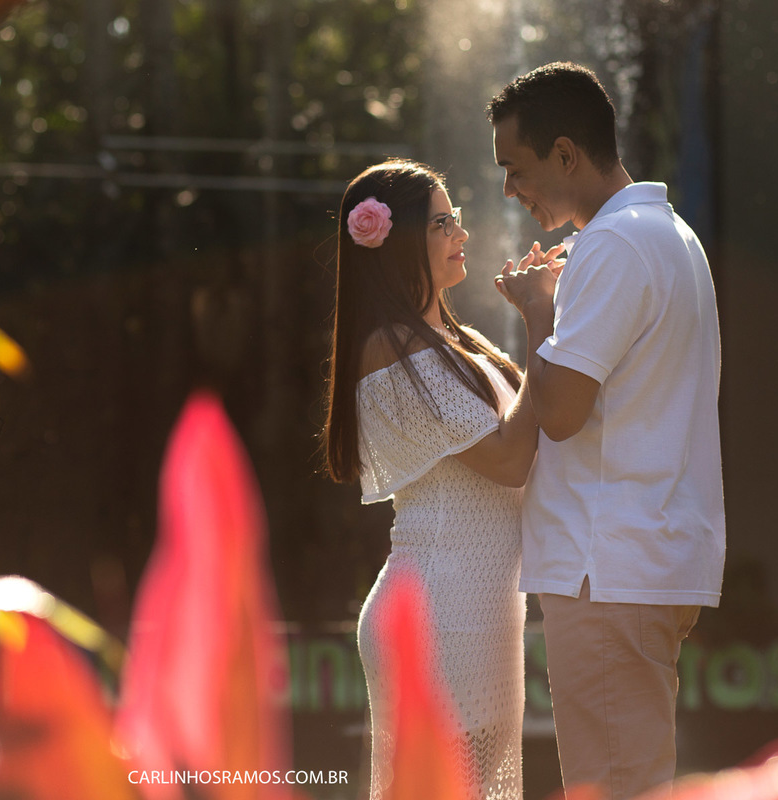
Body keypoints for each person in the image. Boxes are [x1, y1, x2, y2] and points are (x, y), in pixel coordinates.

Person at [488, 62, 725, 799]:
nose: (509, 190)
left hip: (607, 567)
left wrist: (538, 311)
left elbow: (560, 416)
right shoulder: (669, 234)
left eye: (516, 168)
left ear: (565, 154)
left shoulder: (615, 244)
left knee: (614, 786)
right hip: (638, 560)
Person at [321, 159, 561, 800]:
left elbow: (533, 424)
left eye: (455, 219)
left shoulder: (455, 340)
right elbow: (510, 459)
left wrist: (551, 307)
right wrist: (540, 320)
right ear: (397, 241)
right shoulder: (391, 348)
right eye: (441, 223)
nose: (461, 233)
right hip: (440, 613)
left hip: (477, 610)